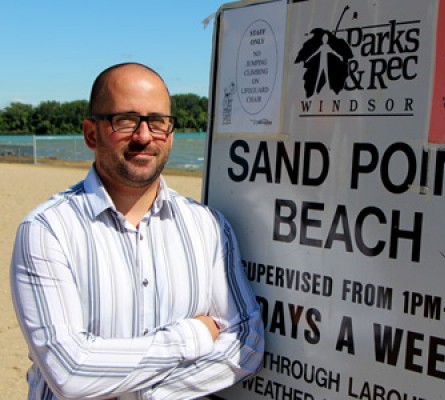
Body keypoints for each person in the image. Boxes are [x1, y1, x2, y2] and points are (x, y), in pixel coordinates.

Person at [10, 62, 264, 399]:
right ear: (91, 133)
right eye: (126, 121)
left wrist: (145, 395)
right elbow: (69, 371)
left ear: (170, 134)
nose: (144, 136)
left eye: (158, 122)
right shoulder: (48, 231)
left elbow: (247, 342)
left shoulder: (209, 227)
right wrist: (194, 335)